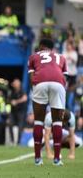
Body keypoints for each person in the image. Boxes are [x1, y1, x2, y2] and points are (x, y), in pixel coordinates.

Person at [28, 38, 68, 166]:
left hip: (40, 82)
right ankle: (57, 159)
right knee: (57, 122)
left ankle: (38, 159)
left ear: (41, 46)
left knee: (39, 121)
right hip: (58, 84)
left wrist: (35, 92)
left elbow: (31, 76)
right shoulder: (61, 57)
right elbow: (64, 77)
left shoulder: (34, 56)